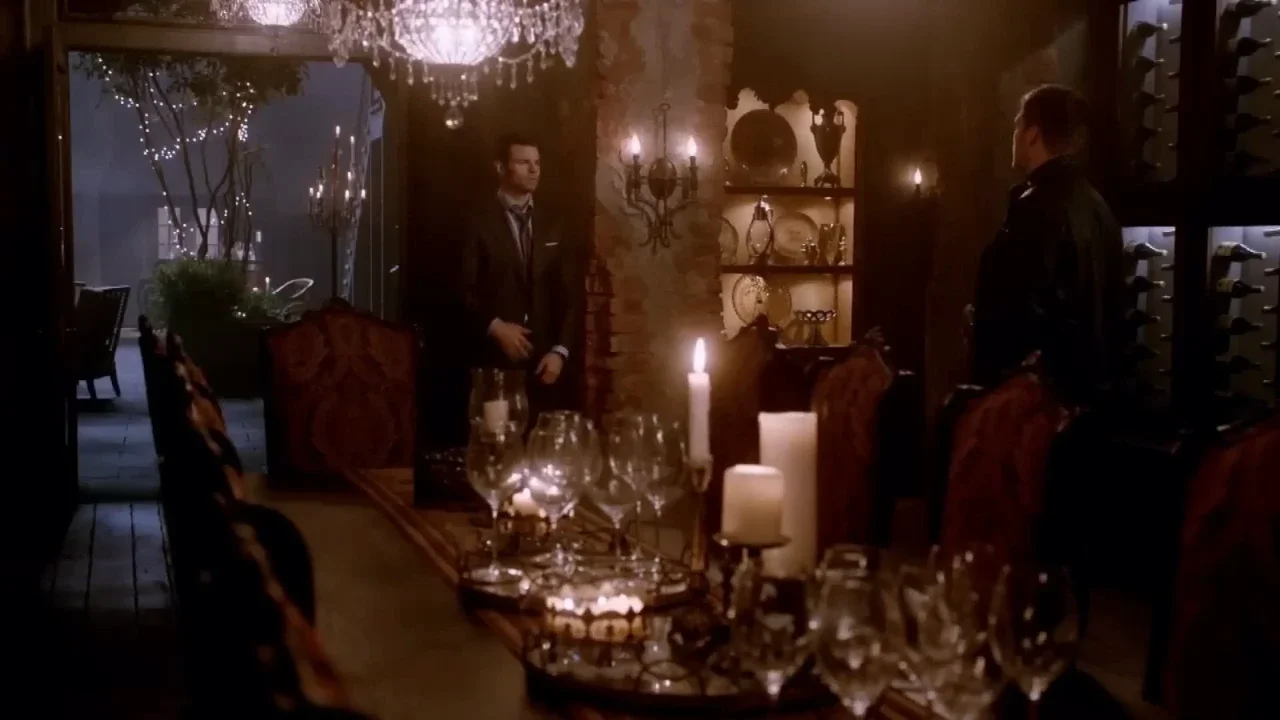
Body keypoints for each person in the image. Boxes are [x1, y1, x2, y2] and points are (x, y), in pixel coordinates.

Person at [972, 84, 1126, 406]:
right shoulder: (1099, 208)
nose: (1014, 135)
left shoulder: (1035, 209)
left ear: (1033, 135)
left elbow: (1016, 312)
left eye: (1017, 125)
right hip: (1092, 402)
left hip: (1040, 404)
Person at [460, 133, 582, 412]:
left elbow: (569, 294)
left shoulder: (554, 223)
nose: (534, 170)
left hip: (546, 364)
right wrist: (496, 327)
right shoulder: (476, 221)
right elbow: (462, 290)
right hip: (493, 364)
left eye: (537, 162)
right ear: (500, 167)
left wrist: (560, 351)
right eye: (524, 162)